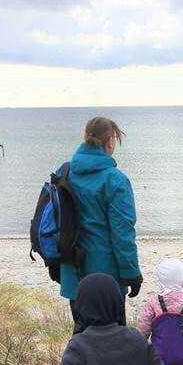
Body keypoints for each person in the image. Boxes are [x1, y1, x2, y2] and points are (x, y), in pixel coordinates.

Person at [60, 117, 143, 327]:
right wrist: (132, 273)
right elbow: (122, 233)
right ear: (110, 141)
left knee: (82, 340)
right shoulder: (115, 180)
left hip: (73, 273)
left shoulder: (65, 172)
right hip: (106, 280)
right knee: (112, 344)